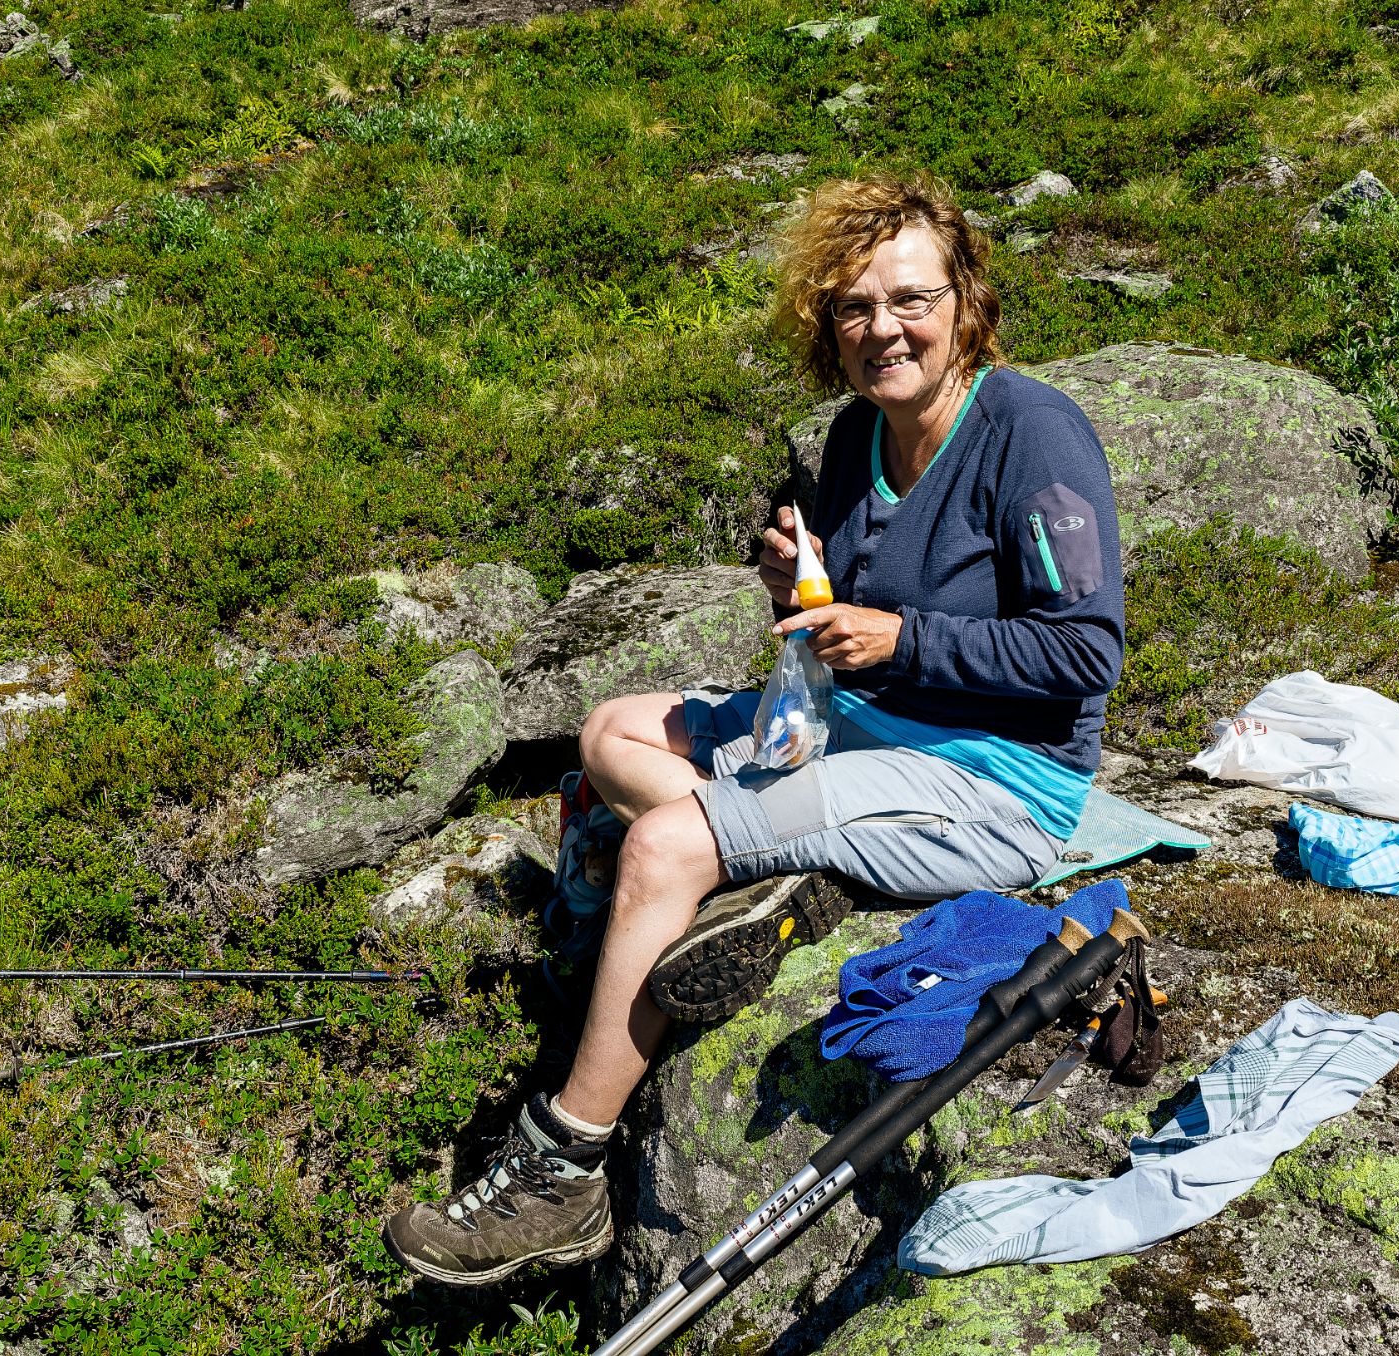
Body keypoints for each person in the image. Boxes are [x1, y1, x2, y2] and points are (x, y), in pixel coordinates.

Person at [382, 171, 1125, 1286]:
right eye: (854, 308)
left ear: (966, 301)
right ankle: (766, 874)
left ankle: (563, 1172)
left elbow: (1082, 654)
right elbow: (843, 622)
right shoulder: (850, 437)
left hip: (995, 780)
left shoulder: (1031, 433)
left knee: (660, 842)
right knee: (609, 732)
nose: (884, 329)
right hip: (863, 729)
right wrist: (803, 593)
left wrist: (900, 639)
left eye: (911, 300)